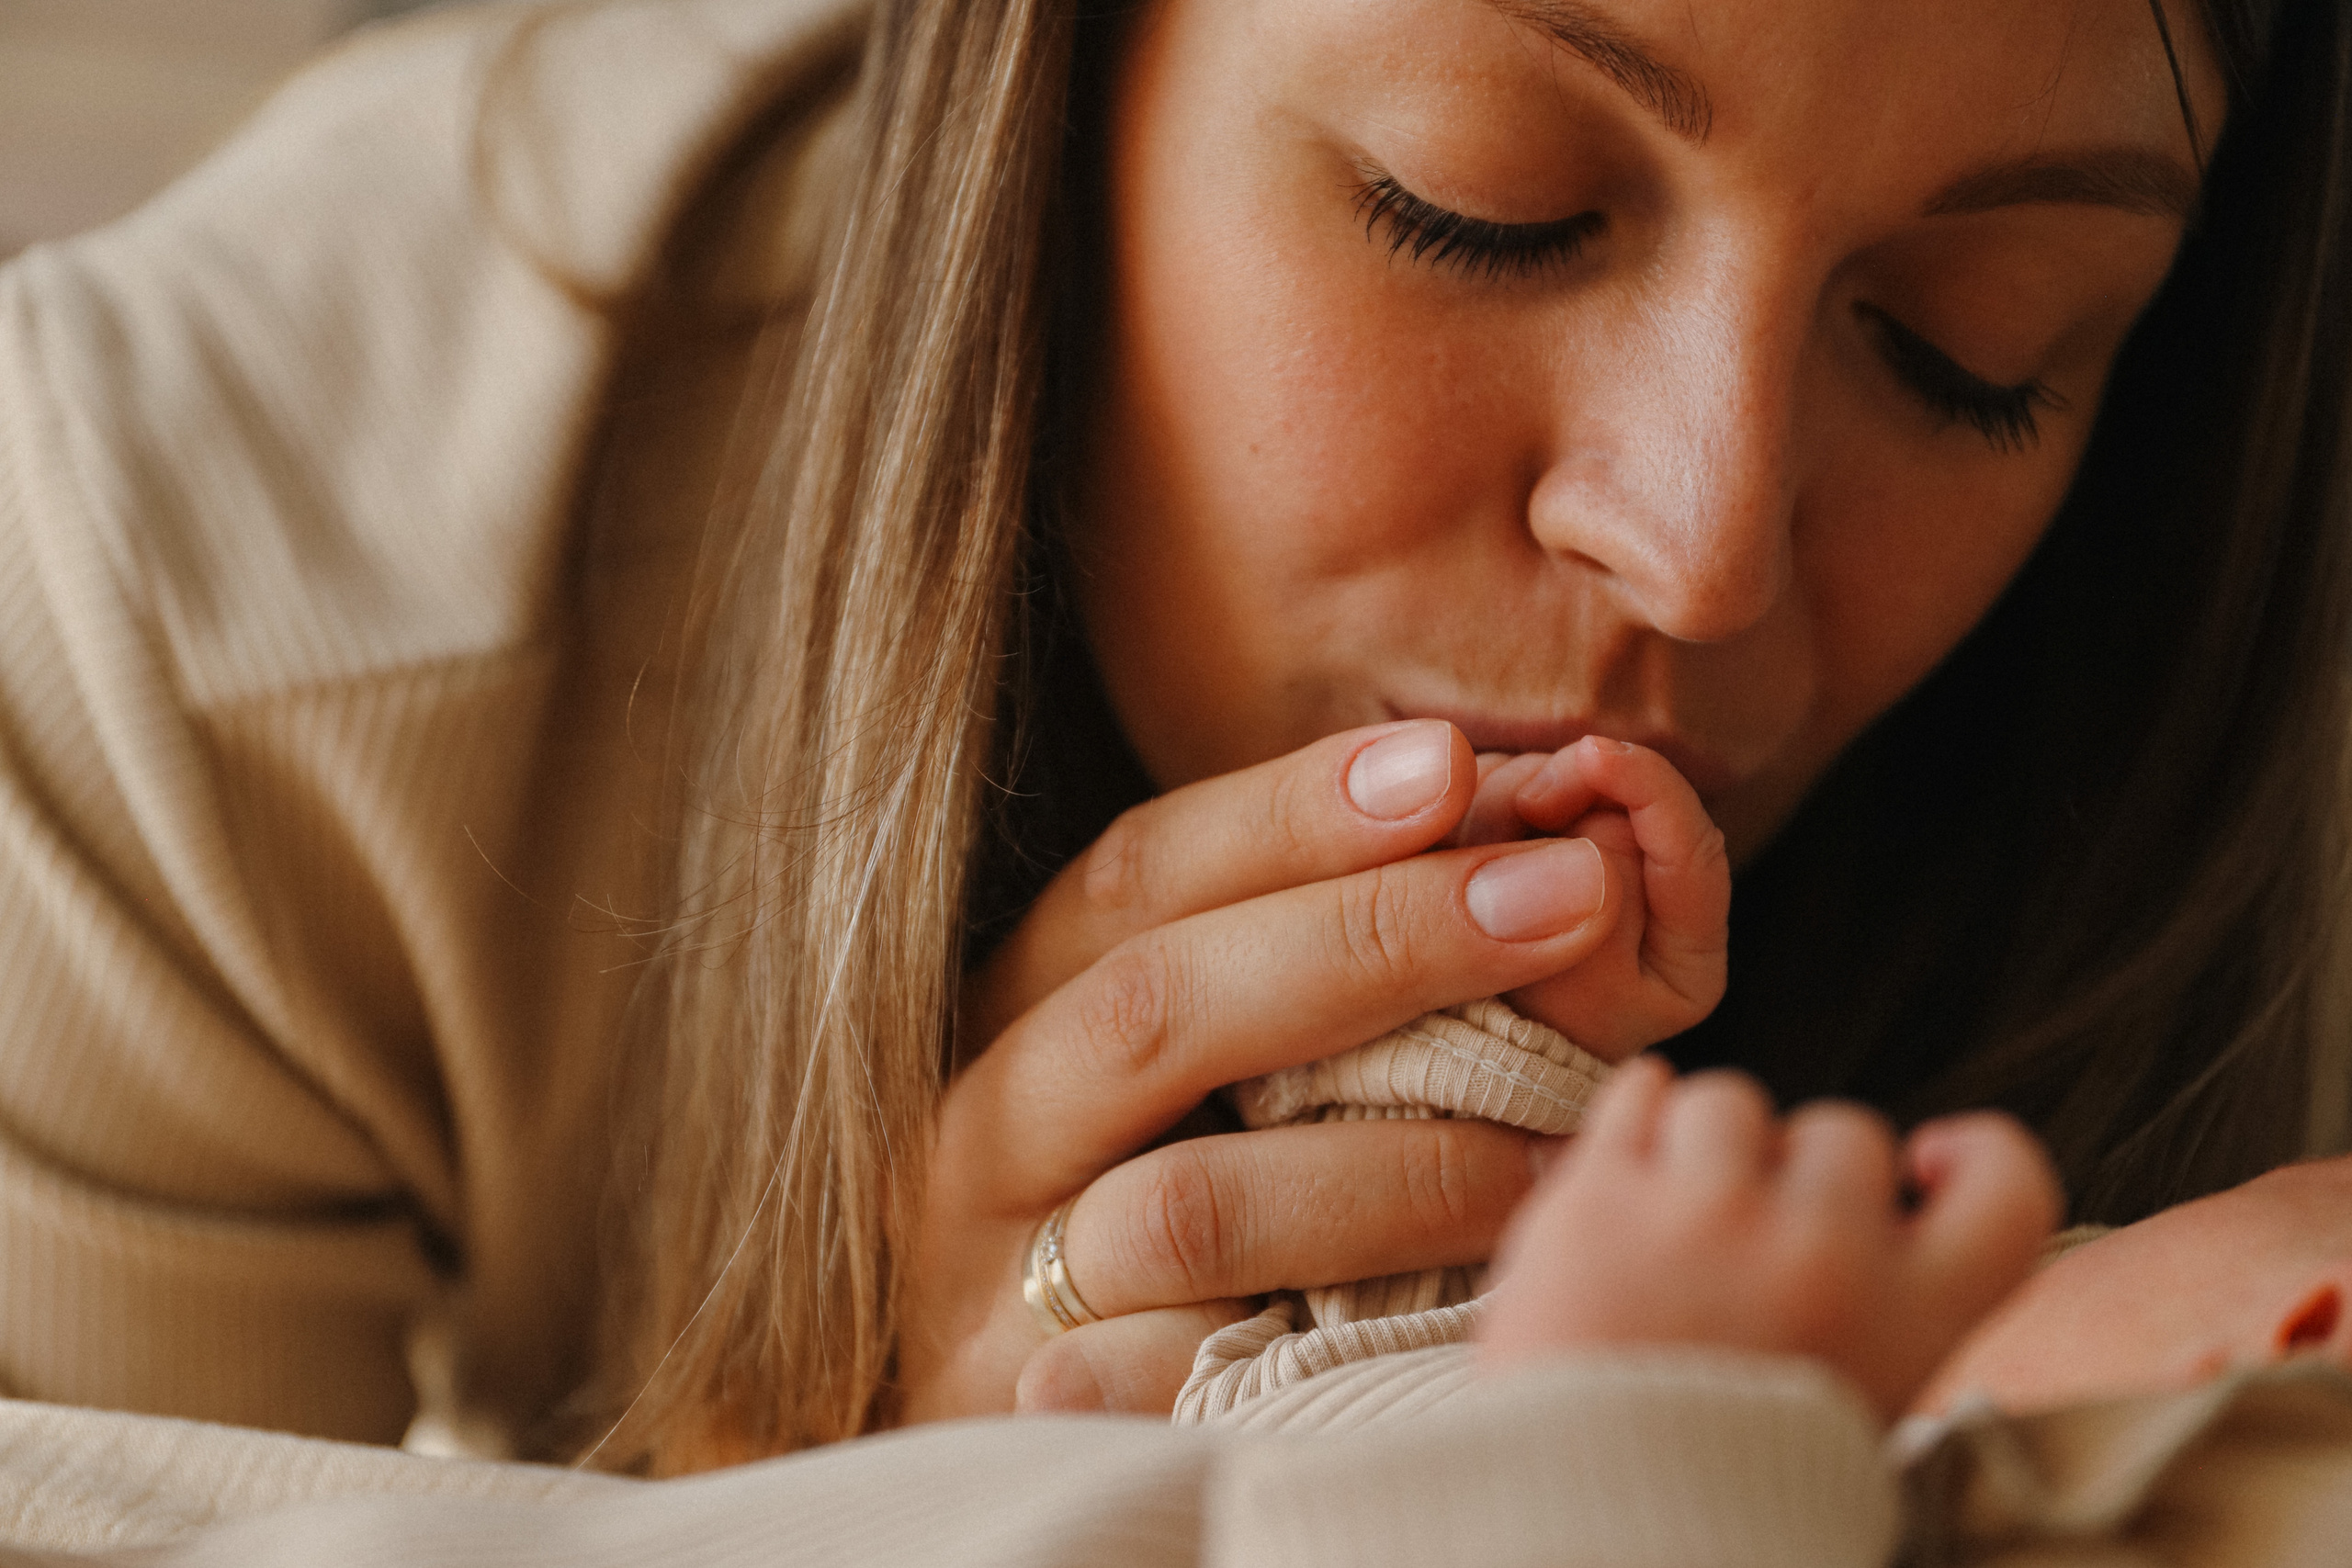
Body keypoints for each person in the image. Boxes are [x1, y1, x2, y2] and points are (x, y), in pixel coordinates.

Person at [0, 0, 2346, 1538]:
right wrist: (839, 1488)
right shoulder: (185, 601)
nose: (1696, 547)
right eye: (1475, 203)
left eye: (1964, 350)